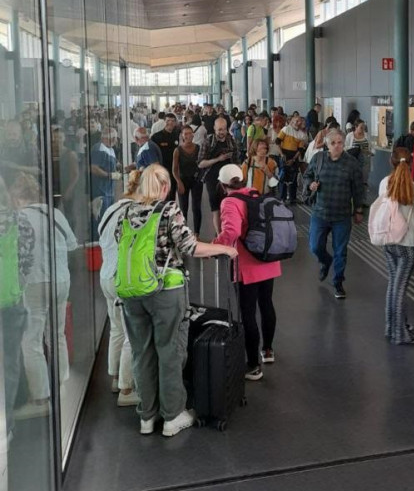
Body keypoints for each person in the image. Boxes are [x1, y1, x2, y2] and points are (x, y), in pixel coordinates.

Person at [115, 164, 237, 437]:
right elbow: (190, 247)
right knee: (169, 351)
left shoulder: (126, 211)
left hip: (131, 293)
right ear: (165, 187)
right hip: (165, 291)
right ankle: (172, 416)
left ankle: (147, 416)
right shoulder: (167, 210)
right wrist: (224, 248)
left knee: (141, 353)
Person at [11, 173, 78, 420]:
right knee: (56, 333)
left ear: (18, 197)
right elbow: (72, 245)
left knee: (31, 339)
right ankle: (61, 382)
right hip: (61, 279)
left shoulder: (19, 218)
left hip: (33, 283)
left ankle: (40, 396)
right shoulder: (55, 214)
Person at [214, 164, 282, 381]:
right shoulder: (255, 193)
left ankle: (253, 366)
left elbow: (231, 231)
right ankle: (268, 350)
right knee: (267, 304)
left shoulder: (229, 201)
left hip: (247, 265)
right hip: (268, 259)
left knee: (248, 312)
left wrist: (215, 246)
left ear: (223, 185)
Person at [303, 129, 365, 299]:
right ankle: (325, 260)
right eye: (333, 143)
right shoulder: (318, 159)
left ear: (344, 143)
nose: (337, 146)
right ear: (327, 144)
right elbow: (307, 175)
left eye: (340, 143)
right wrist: (310, 185)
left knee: (340, 250)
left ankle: (338, 282)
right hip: (320, 213)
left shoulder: (352, 164)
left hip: (342, 215)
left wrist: (358, 210)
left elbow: (358, 189)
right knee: (315, 246)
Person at [98, 171, 142, 406]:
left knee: (116, 329)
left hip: (106, 275)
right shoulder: (134, 212)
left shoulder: (111, 209)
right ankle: (127, 390)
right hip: (122, 278)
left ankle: (115, 377)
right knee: (132, 334)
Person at [0, 174, 34, 439]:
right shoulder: (19, 222)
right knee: (9, 363)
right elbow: (26, 263)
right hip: (10, 301)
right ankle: (6, 424)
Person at [378, 148, 414, 344]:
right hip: (407, 242)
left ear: (391, 161)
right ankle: (400, 334)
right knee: (401, 287)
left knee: (393, 285)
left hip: (388, 240)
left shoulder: (383, 184)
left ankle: (391, 327)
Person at [198, 116, 240, 234]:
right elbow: (201, 164)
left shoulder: (231, 141)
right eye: (219, 129)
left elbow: (237, 162)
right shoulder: (207, 142)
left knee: (228, 206)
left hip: (229, 180)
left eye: (224, 129)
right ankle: (219, 234)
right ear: (214, 129)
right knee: (215, 208)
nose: (222, 132)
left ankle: (228, 232)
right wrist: (218, 159)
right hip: (212, 179)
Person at [172, 124, 203, 237]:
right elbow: (174, 170)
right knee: (183, 208)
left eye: (190, 133)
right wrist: (179, 182)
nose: (188, 136)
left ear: (193, 135)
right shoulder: (178, 150)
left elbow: (202, 165)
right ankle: (184, 234)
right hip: (183, 181)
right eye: (186, 134)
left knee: (196, 207)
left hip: (196, 181)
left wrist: (200, 178)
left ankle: (196, 234)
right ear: (182, 136)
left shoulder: (198, 148)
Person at [90, 127, 121, 220]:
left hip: (109, 191)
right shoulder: (99, 149)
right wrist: (109, 175)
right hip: (100, 192)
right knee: (101, 220)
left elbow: (115, 163)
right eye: (113, 138)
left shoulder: (110, 149)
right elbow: (93, 168)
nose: (115, 140)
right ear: (105, 138)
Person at [277, 114, 307, 204]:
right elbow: (277, 142)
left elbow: (300, 149)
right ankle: (282, 198)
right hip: (284, 155)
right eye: (296, 121)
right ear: (292, 122)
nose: (298, 123)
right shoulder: (286, 129)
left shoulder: (302, 134)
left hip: (294, 157)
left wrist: (293, 159)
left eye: (300, 121)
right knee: (282, 177)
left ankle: (292, 198)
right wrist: (282, 154)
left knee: (293, 179)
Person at [151, 113, 180, 199]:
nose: (170, 123)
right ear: (164, 122)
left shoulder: (178, 135)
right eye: (168, 121)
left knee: (172, 196)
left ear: (175, 123)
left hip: (174, 171)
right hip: (162, 171)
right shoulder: (156, 137)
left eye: (172, 121)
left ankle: (171, 212)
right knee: (161, 196)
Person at [345, 120, 372, 202]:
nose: (363, 129)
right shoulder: (350, 136)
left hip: (365, 161)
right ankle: (352, 199)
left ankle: (363, 200)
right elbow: (346, 148)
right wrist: (356, 150)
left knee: (364, 181)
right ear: (356, 127)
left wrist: (369, 152)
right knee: (353, 181)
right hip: (353, 161)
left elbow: (371, 148)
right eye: (361, 127)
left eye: (364, 127)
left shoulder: (366, 136)